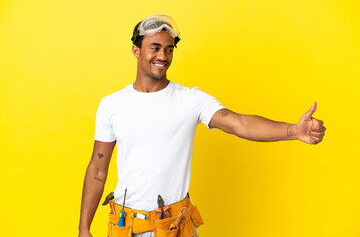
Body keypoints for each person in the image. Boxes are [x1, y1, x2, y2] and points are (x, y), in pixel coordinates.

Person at [78, 15, 326, 237]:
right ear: (136, 50)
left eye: (169, 49)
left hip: (175, 225)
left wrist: (293, 130)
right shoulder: (112, 105)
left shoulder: (190, 100)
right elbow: (98, 169)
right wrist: (83, 229)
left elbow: (240, 123)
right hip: (127, 226)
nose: (163, 56)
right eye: (155, 48)